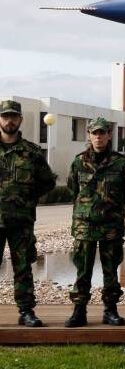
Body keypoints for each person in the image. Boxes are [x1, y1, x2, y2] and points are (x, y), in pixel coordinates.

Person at [65, 116, 125, 328]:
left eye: (103, 132)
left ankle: (110, 311)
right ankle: (79, 311)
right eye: (95, 133)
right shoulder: (79, 161)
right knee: (82, 270)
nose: (99, 137)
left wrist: (111, 209)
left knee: (111, 271)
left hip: (111, 226)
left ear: (109, 135)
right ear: (89, 135)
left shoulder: (121, 163)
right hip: (84, 226)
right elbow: (73, 189)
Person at [0, 99, 56, 328]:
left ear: (20, 119)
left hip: (21, 221)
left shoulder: (31, 152)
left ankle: (26, 312)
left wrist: (28, 199)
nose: (9, 120)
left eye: (13, 116)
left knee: (23, 268)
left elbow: (48, 182)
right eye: (5, 116)